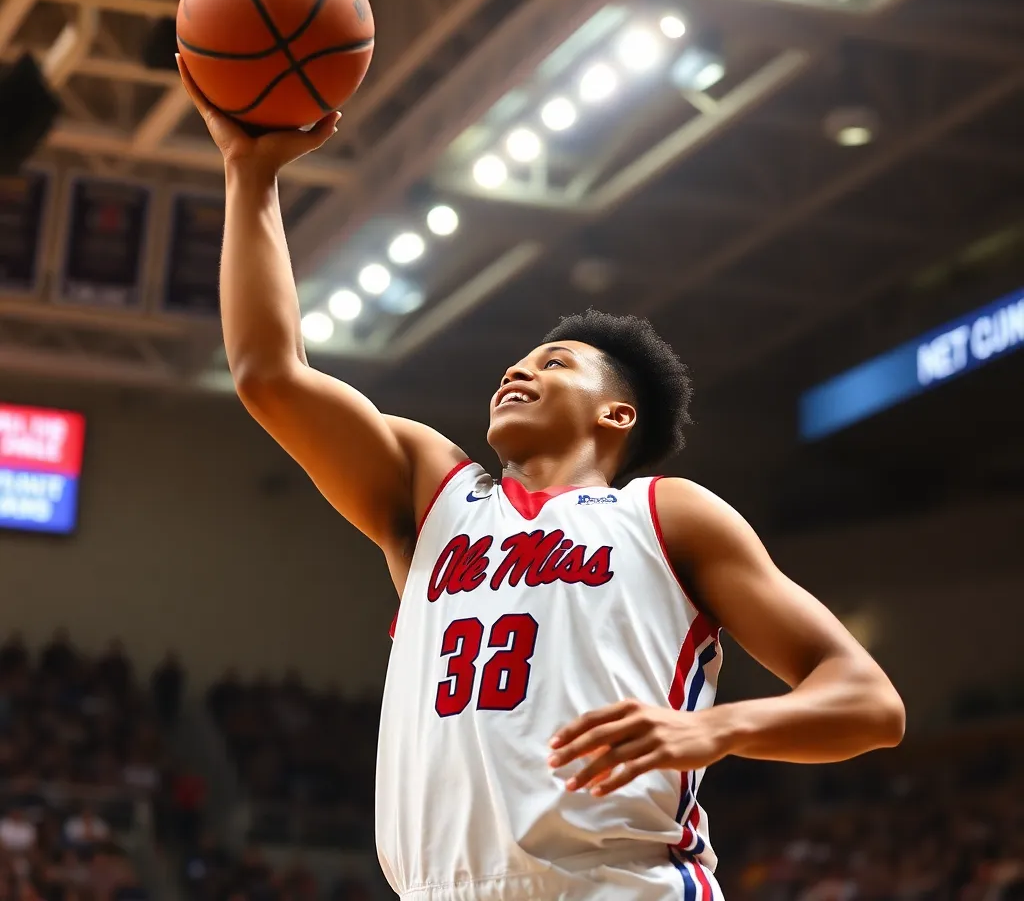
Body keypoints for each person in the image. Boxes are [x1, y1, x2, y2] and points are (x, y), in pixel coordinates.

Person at [177, 57, 906, 901]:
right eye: (513, 365)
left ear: (617, 415)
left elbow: (868, 702)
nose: (515, 373)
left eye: (553, 363)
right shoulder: (433, 493)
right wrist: (250, 175)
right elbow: (270, 373)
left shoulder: (666, 514)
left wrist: (713, 728)